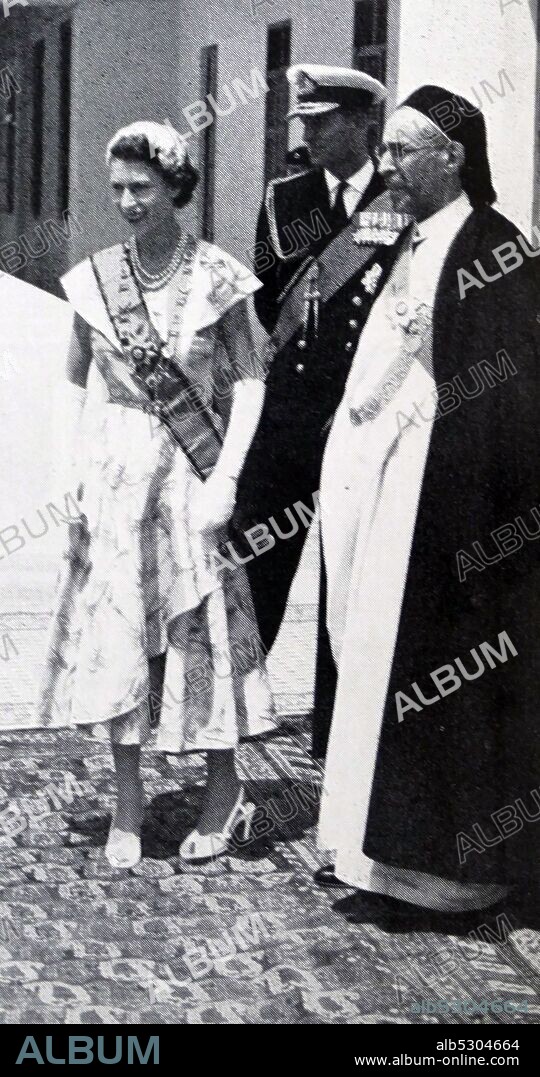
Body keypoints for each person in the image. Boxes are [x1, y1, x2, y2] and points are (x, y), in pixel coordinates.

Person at [316, 86, 540, 922]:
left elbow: (504, 402)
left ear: (451, 157)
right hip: (390, 494)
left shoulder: (495, 247)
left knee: (436, 682)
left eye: (403, 153)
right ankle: (371, 849)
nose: (388, 169)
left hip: (452, 511)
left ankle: (445, 873)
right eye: (388, 153)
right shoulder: (405, 241)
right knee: (372, 655)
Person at [38, 121, 278, 869]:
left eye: (142, 187)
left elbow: (251, 380)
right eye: (117, 188)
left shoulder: (218, 276)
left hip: (189, 476)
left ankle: (221, 790)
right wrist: (69, 470)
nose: (128, 201)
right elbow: (71, 383)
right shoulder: (94, 278)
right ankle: (129, 802)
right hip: (117, 476)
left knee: (199, 632)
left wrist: (229, 478)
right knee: (118, 636)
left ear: (177, 186)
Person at [235, 65, 408, 758]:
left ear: (365, 123)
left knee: (350, 572)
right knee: (255, 562)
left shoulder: (400, 202)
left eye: (324, 120)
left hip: (360, 415)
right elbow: (265, 299)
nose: (310, 131)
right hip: (288, 419)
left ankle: (336, 734)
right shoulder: (286, 198)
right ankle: (238, 707)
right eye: (304, 121)